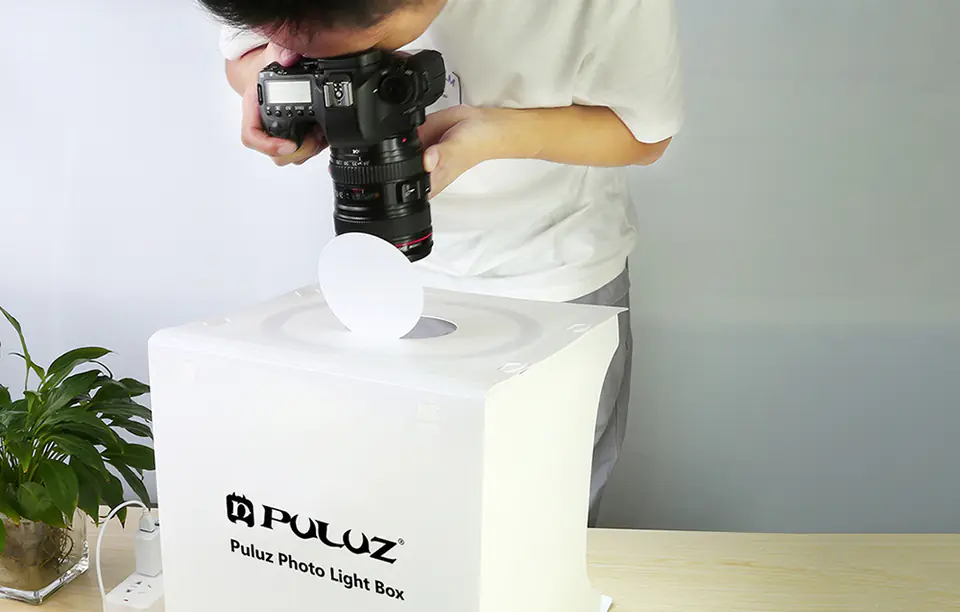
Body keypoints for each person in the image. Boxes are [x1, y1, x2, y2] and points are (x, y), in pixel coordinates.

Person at [201, 0, 684, 526]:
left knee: (548, 517)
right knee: (395, 518)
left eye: (368, 50)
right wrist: (268, 86)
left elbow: (645, 135)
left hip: (554, 279)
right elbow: (240, 59)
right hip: (379, 284)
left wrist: (495, 134)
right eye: (298, 44)